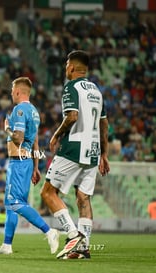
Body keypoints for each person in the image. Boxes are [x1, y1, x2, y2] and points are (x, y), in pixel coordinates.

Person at [40, 50, 110, 260]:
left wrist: (56, 134)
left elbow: (72, 116)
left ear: (71, 67)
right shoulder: (97, 90)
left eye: (66, 65)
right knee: (83, 198)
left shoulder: (71, 86)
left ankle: (72, 235)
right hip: (93, 151)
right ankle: (84, 248)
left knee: (48, 192)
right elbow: (104, 123)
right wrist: (104, 154)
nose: (65, 69)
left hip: (74, 147)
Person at [0, 77, 59, 255]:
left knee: (15, 203)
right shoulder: (34, 111)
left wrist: (6, 128)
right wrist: (35, 167)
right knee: (10, 204)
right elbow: (35, 141)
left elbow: (18, 138)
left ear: (18, 92)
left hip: (19, 162)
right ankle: (7, 245)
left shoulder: (19, 110)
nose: (11, 93)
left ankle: (49, 231)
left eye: (12, 90)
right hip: (25, 162)